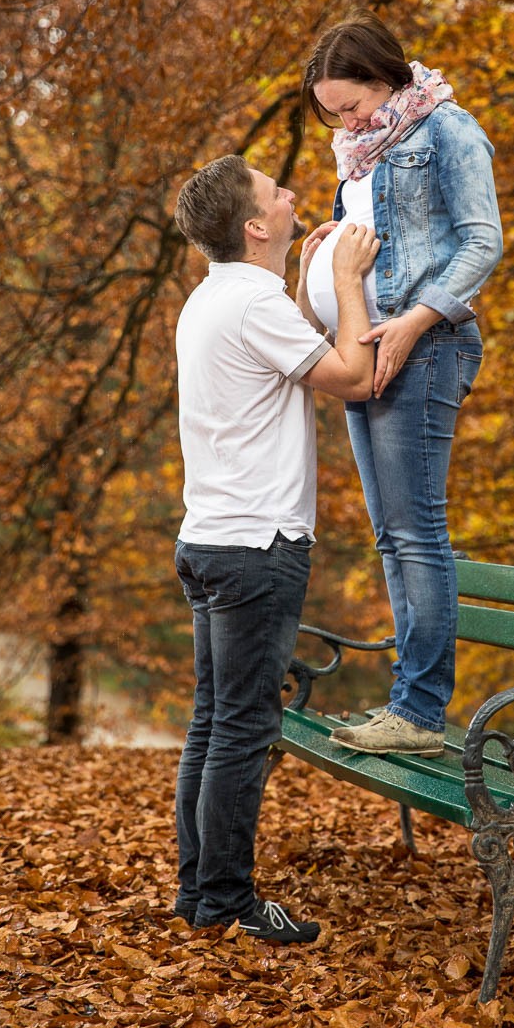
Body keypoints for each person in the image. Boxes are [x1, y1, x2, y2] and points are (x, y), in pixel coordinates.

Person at [171, 152, 379, 941]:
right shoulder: (251, 307)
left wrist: (309, 281)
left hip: (211, 541)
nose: (290, 193)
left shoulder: (222, 298)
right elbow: (353, 377)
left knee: (212, 722)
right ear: (257, 226)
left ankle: (200, 896)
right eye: (275, 191)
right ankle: (226, 902)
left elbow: (287, 345)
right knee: (243, 729)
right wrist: (350, 280)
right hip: (258, 547)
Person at [301, 11, 503, 757]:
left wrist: (417, 319)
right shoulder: (361, 148)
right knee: (392, 538)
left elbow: (483, 240)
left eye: (349, 105)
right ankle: (406, 704)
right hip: (366, 352)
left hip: (423, 350)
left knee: (417, 534)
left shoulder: (447, 131)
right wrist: (326, 243)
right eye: (332, 113)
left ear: (384, 78)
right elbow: (375, 240)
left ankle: (418, 712)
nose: (344, 121)